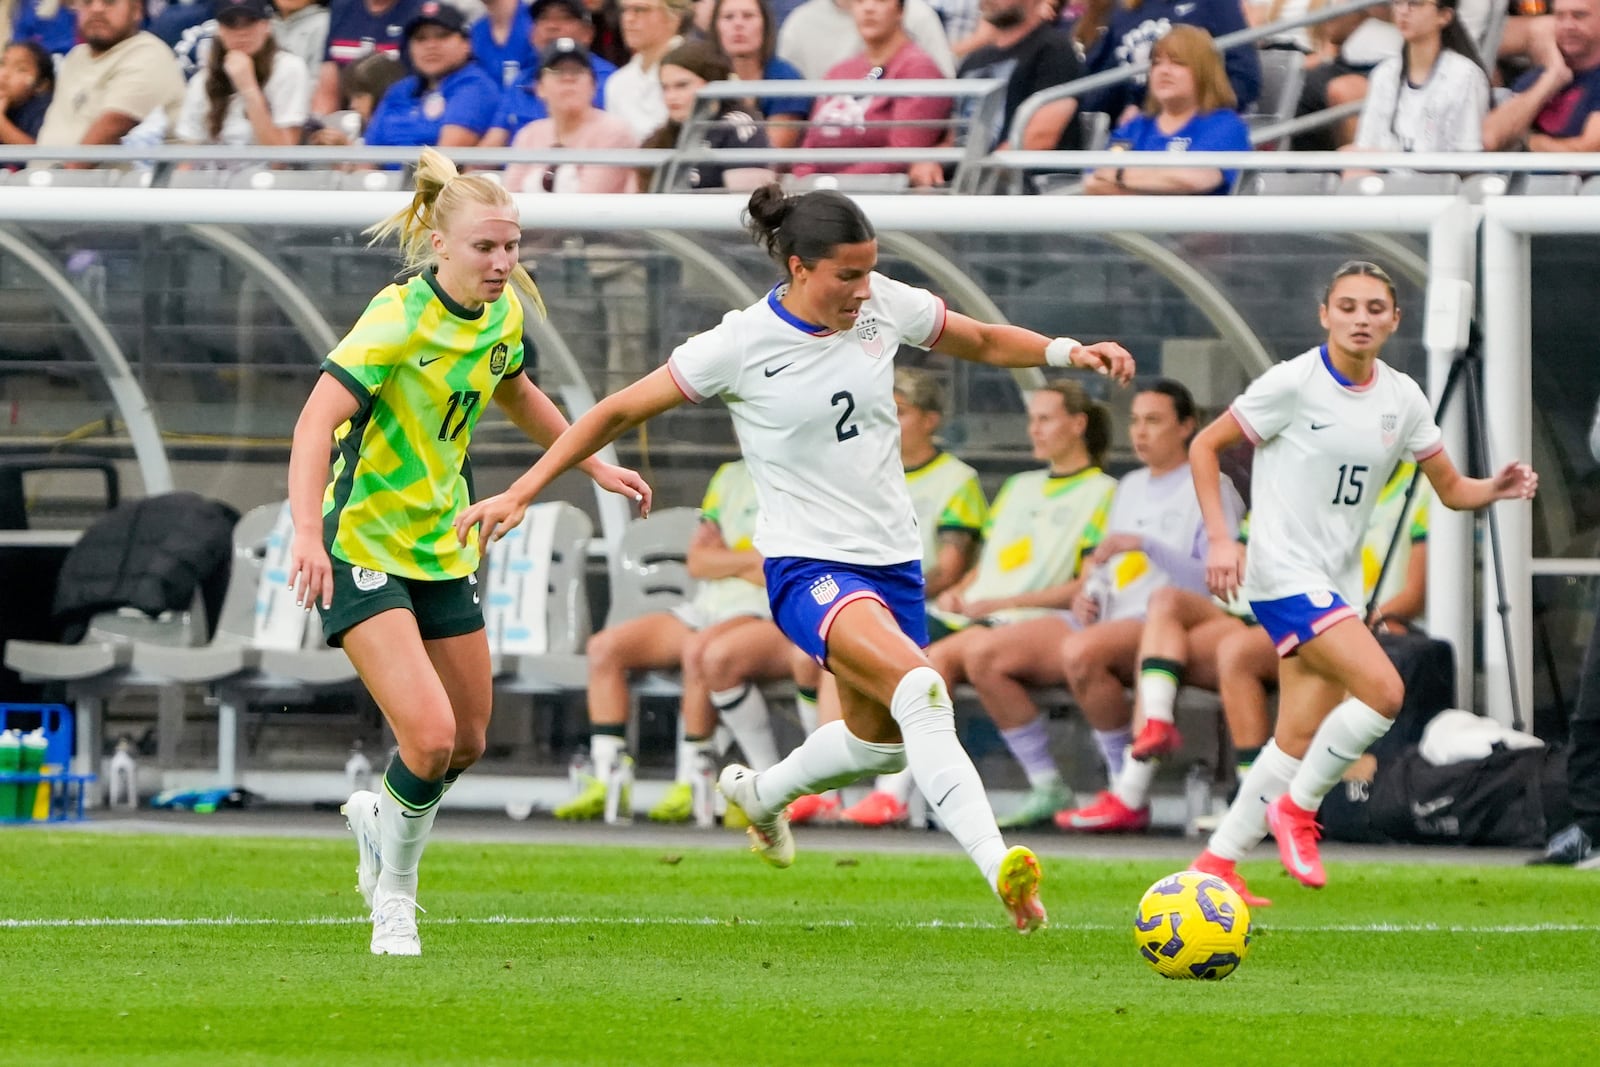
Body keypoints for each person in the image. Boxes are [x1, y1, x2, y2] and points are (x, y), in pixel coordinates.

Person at [456, 184, 1138, 933]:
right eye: (847, 274)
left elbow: (975, 337)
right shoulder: (738, 344)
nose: (862, 288)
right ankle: (999, 866)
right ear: (798, 265)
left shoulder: (882, 306)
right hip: (808, 568)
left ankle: (760, 792)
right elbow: (616, 409)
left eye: (870, 270)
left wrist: (1066, 350)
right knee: (922, 688)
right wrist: (522, 490)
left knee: (879, 750)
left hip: (893, 565)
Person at [286, 147, 648, 956]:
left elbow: (517, 392)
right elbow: (314, 424)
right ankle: (395, 897)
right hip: (363, 543)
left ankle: (383, 813)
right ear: (439, 245)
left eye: (512, 245)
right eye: (486, 247)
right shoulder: (397, 316)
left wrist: (595, 464)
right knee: (428, 737)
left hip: (445, 546)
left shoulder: (505, 314)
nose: (503, 262)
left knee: (471, 739)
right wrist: (308, 534)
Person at [1185, 260, 1537, 906]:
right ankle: (1298, 809)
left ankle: (1215, 863)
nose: (1361, 318)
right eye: (1347, 306)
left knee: (1294, 734)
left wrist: (1498, 487)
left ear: (1394, 320)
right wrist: (1220, 536)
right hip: (1281, 572)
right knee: (1382, 689)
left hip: (1336, 582)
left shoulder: (1402, 397)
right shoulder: (1293, 382)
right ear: (1325, 314)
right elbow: (1205, 447)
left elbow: (1453, 490)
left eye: (1375, 307)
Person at [1068, 462, 1432, 835]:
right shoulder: (1292, 481)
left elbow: (1414, 592)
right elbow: (1234, 567)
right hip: (1253, 613)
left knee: (1233, 652)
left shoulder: (1410, 487)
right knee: (1165, 603)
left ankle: (1243, 798)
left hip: (1328, 622)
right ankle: (1152, 737)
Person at [556, 458, 786, 823]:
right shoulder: (728, 475)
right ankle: (608, 778)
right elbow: (698, 560)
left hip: (764, 610)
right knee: (605, 648)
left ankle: (693, 779)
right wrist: (743, 562)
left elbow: (775, 568)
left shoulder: (801, 473)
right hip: (706, 606)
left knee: (699, 648)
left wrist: (725, 558)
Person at [824, 366, 989, 825]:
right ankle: (825, 785)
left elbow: (951, 568)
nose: (887, 422)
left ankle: (890, 791)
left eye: (900, 411)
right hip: (870, 603)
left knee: (887, 657)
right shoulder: (867, 475)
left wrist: (884, 600)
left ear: (931, 419)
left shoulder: (957, 479)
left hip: (934, 610)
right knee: (823, 651)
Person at [790, 0, 954, 179]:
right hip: (821, 193)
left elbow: (902, 154)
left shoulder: (919, 69)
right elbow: (809, 146)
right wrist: (804, 183)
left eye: (880, 1)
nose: (868, 8)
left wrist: (835, 185)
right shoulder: (839, 71)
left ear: (900, 10)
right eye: (860, 1)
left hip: (880, 195)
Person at [1084, 25, 1252, 197]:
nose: (1164, 71)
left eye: (1177, 63)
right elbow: (1094, 182)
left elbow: (1195, 179)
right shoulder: (1135, 126)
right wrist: (1163, 185)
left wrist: (1120, 174)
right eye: (1157, 63)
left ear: (1204, 72)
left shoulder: (1225, 125)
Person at [32, 0, 185, 165]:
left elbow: (112, 127)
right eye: (87, 2)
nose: (97, 9)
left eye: (110, 2)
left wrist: (60, 183)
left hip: (112, 187)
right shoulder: (75, 57)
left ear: (136, 11)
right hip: (46, 182)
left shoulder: (148, 53)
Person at [1346, 0, 1489, 159]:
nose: (1403, 11)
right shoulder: (1384, 73)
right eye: (1398, 3)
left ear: (1444, 16)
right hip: (1387, 178)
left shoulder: (1465, 75)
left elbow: (1468, 157)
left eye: (1415, 4)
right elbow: (1366, 145)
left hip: (1441, 180)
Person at [1082, 0, 1260, 121]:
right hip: (1136, 128)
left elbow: (1245, 77)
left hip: (1197, 123)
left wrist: (1189, 115)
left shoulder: (1214, 4)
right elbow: (1100, 83)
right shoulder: (1125, 11)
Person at [504, 37, 640, 193]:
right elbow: (512, 196)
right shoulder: (529, 134)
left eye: (577, 70)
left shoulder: (613, 131)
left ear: (593, 86)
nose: (568, 78)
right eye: (557, 71)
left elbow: (591, 200)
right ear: (539, 88)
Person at [174, 0, 312, 151]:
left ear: (266, 26)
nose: (241, 32)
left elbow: (281, 157)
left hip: (267, 173)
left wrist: (248, 88)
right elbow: (188, 156)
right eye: (231, 23)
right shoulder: (202, 80)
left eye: (250, 22)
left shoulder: (289, 68)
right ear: (219, 30)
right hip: (212, 172)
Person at [361, 2, 501, 148]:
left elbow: (445, 159)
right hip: (388, 171)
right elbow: (369, 154)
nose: (430, 46)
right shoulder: (400, 90)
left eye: (442, 36)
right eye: (420, 38)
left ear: (467, 44)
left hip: (432, 171)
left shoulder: (476, 87)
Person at [479, 0, 616, 148]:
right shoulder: (521, 80)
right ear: (532, 34)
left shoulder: (608, 79)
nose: (552, 26)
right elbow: (494, 140)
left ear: (587, 33)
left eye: (565, 18)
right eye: (544, 18)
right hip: (522, 167)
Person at [639, 39, 771, 191]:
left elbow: (748, 204)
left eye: (682, 85)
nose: (671, 97)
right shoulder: (660, 138)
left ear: (712, 83)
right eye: (665, 88)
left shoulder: (740, 125)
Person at [1482, 0, 1600, 153]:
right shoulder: (1539, 78)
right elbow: (1490, 139)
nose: (1567, 25)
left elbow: (1585, 152)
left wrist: (1527, 141)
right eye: (1559, 16)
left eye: (1579, 16)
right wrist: (1552, 79)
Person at [711, 0, 808, 148]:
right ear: (715, 27)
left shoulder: (785, 78)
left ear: (765, 25)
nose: (738, 24)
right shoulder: (705, 76)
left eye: (748, 16)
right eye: (728, 17)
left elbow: (772, 154)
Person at [777, 0, 956, 79]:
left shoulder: (918, 14)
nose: (869, 8)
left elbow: (943, 90)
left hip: (901, 142)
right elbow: (788, 101)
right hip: (825, 139)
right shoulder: (800, 21)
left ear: (898, 12)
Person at [311, 0, 425, 114]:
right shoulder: (341, 7)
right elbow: (327, 90)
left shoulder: (420, 11)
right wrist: (324, 125)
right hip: (348, 119)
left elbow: (416, 87)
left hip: (395, 114)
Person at [603, 0, 687, 139]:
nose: (628, 19)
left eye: (641, 10)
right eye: (624, 10)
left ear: (674, 18)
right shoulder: (617, 83)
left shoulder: (694, 71)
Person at [0, 39, 53, 151]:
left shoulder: (41, 109)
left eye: (21, 69)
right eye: (3, 63)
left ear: (41, 85)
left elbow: (36, 153)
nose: (5, 74)